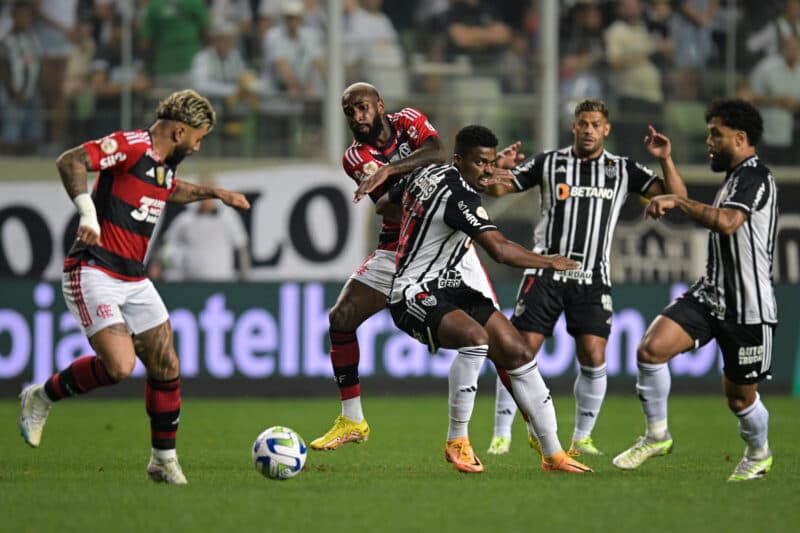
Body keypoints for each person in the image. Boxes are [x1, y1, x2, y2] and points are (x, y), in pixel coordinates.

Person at [17, 89, 251, 485]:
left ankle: (162, 460)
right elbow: (71, 160)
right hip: (93, 269)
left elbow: (169, 189)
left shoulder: (163, 163)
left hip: (134, 277)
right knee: (120, 366)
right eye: (198, 137)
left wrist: (215, 193)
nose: (198, 146)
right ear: (179, 131)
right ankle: (40, 396)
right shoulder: (131, 145)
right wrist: (88, 214)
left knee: (166, 364)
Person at [382, 124, 593, 474]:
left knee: (518, 351)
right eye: (480, 162)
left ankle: (554, 455)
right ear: (458, 159)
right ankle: (457, 440)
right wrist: (549, 261)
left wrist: (417, 227)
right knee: (476, 340)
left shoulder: (426, 173)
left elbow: (385, 206)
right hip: (411, 292)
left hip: (448, 284)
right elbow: (500, 251)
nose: (488, 171)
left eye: (491, 163)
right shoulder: (458, 196)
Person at [483, 98, 687, 457]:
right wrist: (497, 169)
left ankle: (582, 437)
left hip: (592, 276)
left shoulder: (622, 169)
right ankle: (502, 434)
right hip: (545, 272)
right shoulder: (550, 162)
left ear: (606, 129)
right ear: (574, 127)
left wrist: (665, 158)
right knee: (519, 351)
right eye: (583, 123)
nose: (589, 130)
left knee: (593, 355)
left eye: (595, 124)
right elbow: (499, 189)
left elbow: (677, 198)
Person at [310, 82, 499, 457]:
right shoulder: (354, 156)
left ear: (380, 105)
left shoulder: (408, 120)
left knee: (501, 339)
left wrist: (392, 171)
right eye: (350, 111)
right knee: (341, 317)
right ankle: (352, 419)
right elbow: (386, 205)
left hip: (447, 243)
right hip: (398, 245)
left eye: (363, 107)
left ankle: (536, 427)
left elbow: (437, 151)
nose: (357, 117)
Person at [613, 99, 778, 482]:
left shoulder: (756, 177)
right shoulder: (734, 178)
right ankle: (657, 435)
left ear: (740, 138)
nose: (708, 141)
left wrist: (679, 202)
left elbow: (728, 222)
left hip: (748, 307)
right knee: (650, 350)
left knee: (739, 398)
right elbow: (688, 203)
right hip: (710, 294)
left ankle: (759, 454)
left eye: (715, 135)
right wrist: (667, 164)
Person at [155, 177, 251, 281]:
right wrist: (160, 267)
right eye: (204, 193)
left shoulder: (228, 218)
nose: (207, 199)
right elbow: (166, 244)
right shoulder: (185, 219)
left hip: (222, 282)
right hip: (191, 283)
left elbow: (241, 246)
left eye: (211, 194)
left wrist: (244, 276)